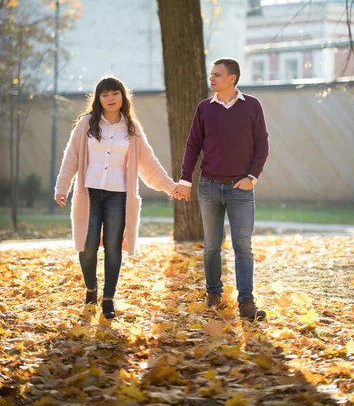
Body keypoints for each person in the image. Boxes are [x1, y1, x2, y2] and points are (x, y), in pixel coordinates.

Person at [55, 76, 178, 320]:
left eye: (115, 93)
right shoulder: (86, 124)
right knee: (87, 246)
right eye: (105, 94)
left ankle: (108, 298)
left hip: (118, 196)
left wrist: (169, 186)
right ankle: (91, 289)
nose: (110, 99)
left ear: (123, 96)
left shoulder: (131, 127)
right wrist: (62, 186)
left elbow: (148, 162)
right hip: (89, 193)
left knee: (113, 246)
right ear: (98, 99)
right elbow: (71, 157)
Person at [173, 58, 269, 321]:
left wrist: (252, 177)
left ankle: (246, 302)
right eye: (211, 74)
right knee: (212, 246)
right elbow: (193, 145)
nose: (211, 78)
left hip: (241, 189)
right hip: (209, 187)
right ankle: (214, 293)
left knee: (243, 246)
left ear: (232, 78)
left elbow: (262, 145)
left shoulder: (252, 106)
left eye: (217, 75)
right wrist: (185, 180)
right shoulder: (205, 108)